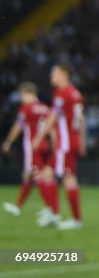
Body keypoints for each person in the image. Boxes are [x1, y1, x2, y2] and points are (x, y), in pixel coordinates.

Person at [31, 64, 85, 229]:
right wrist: (81, 139)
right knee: (47, 174)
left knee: (68, 178)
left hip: (65, 143)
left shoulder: (62, 94)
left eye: (54, 74)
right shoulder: (75, 93)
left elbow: (53, 118)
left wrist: (39, 137)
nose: (51, 77)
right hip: (71, 141)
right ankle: (53, 214)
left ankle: (75, 220)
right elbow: (82, 118)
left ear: (63, 75)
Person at [1, 82, 60, 221]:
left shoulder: (26, 109)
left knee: (37, 176)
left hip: (33, 145)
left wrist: (9, 141)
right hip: (45, 145)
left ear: (27, 94)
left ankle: (51, 210)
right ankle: (18, 207)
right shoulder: (45, 109)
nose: (22, 99)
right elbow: (52, 129)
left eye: (22, 96)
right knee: (29, 176)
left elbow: (18, 127)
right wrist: (54, 145)